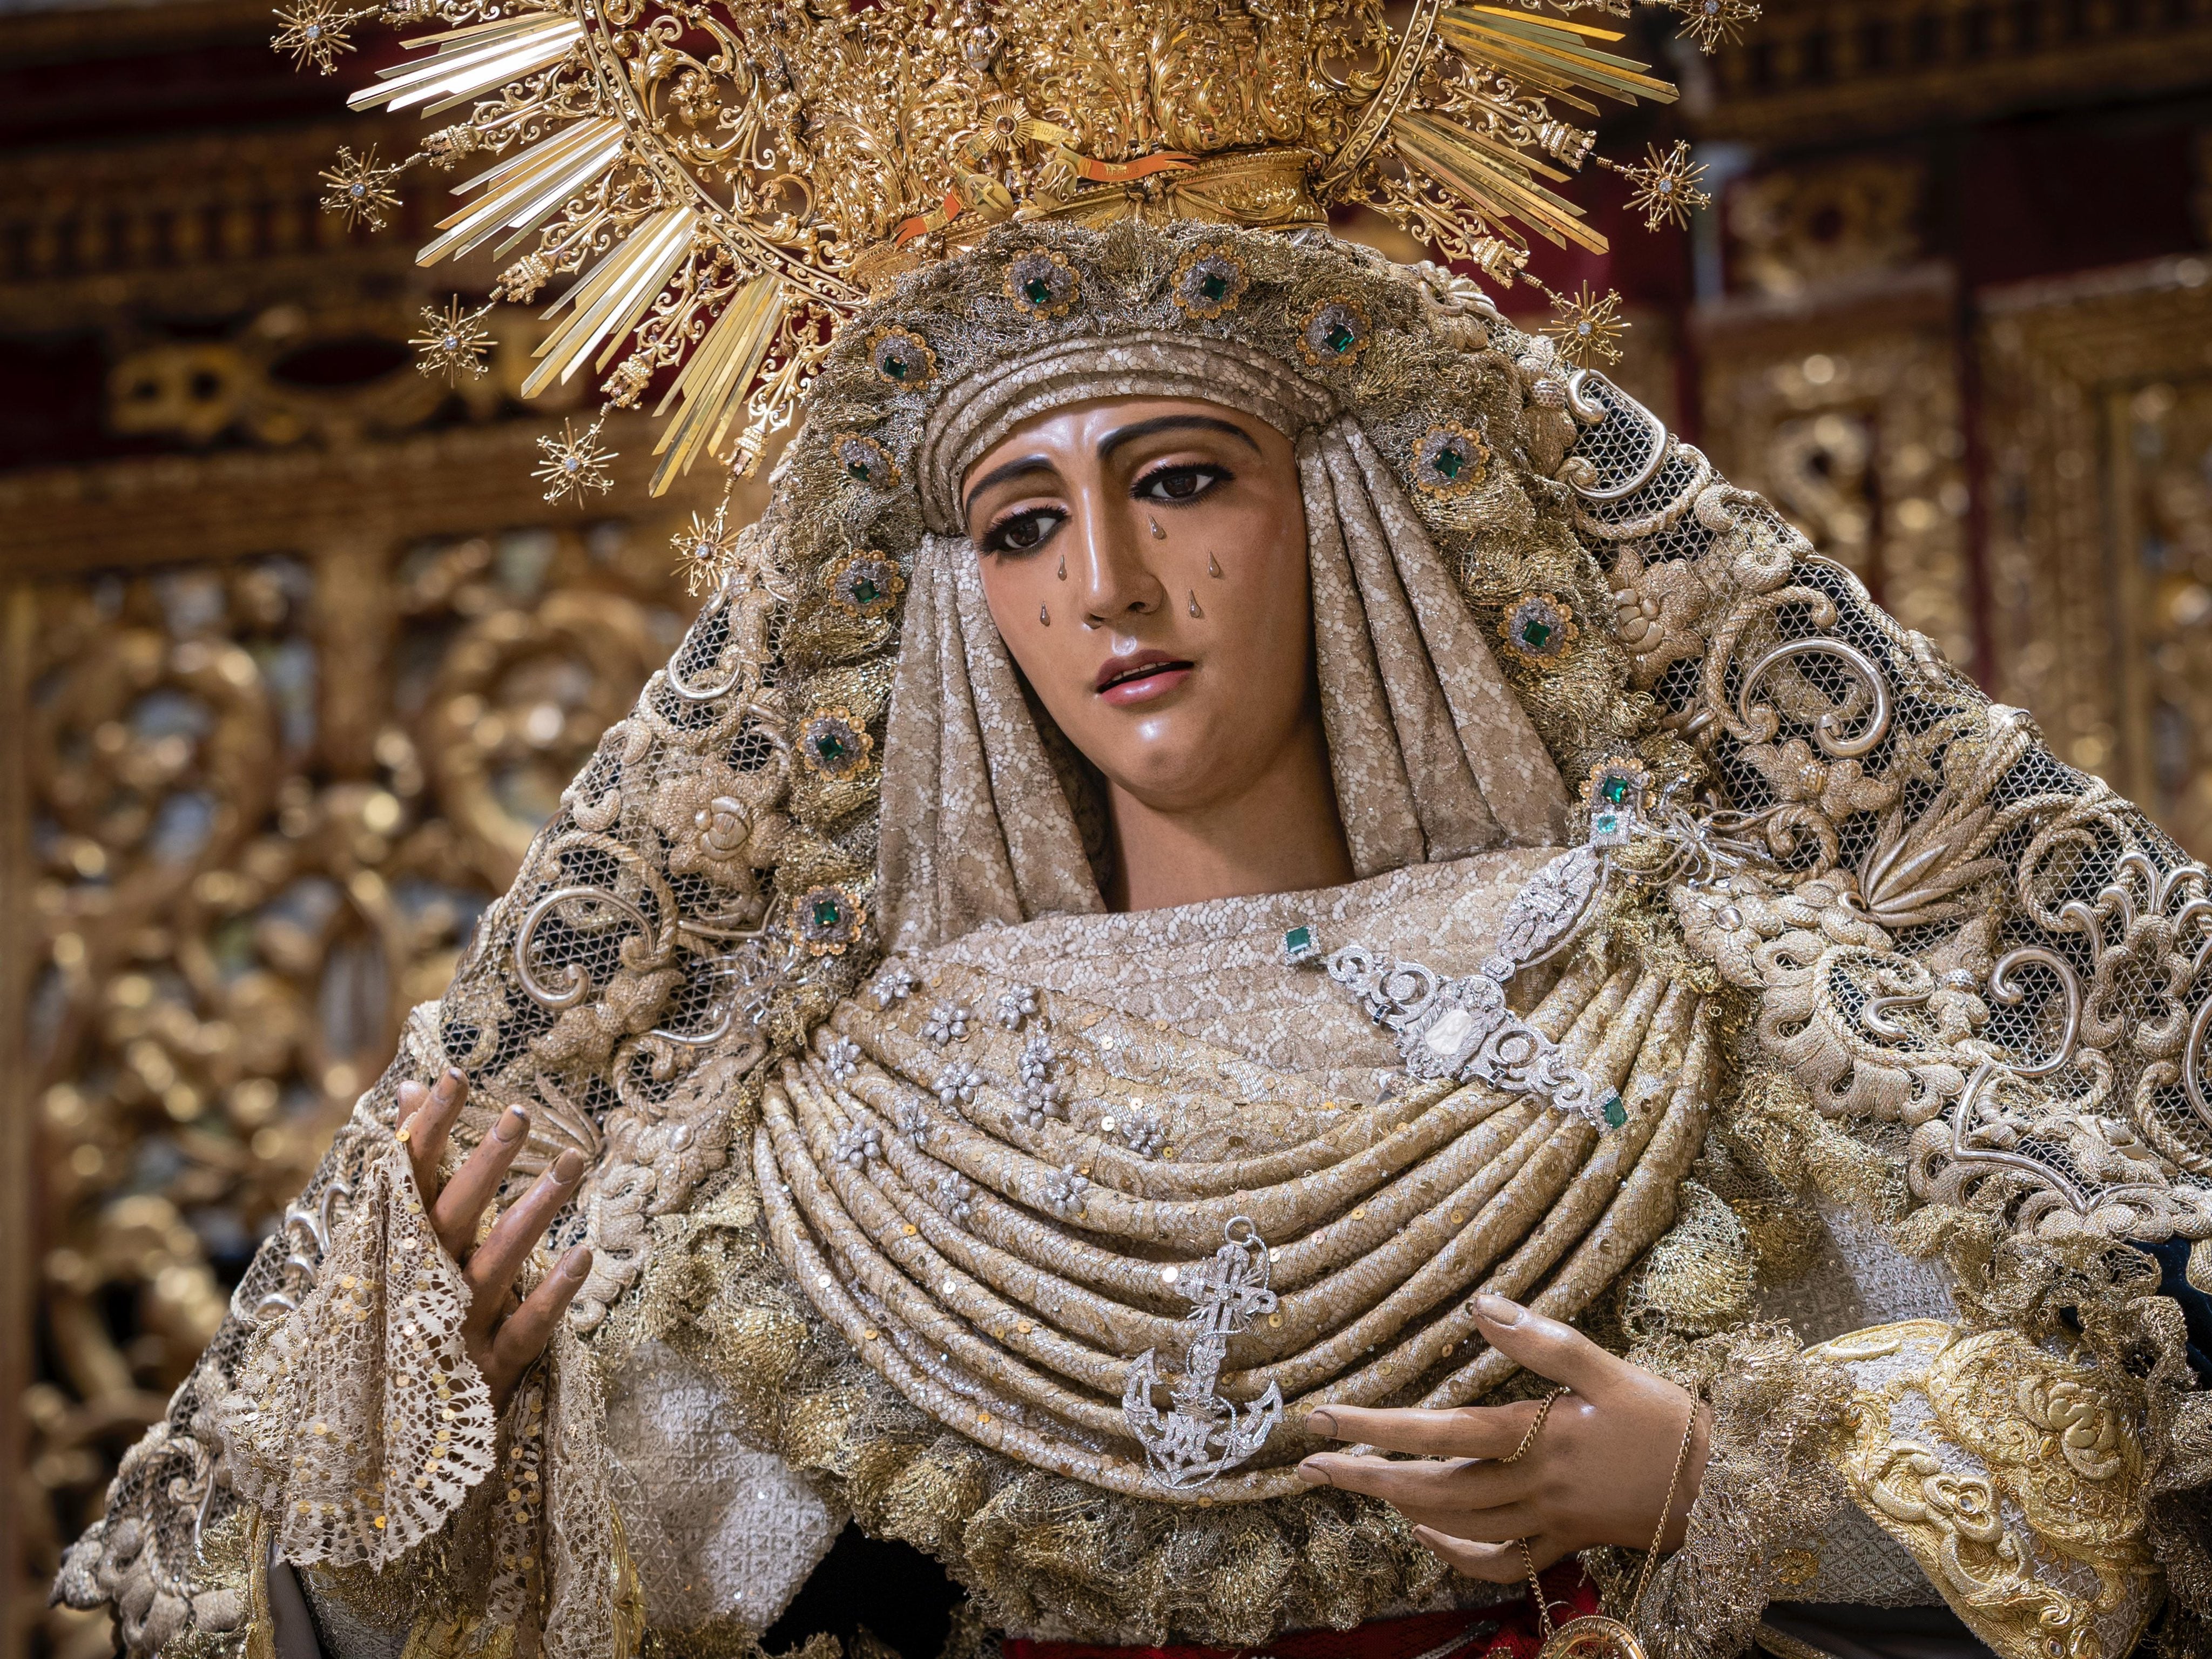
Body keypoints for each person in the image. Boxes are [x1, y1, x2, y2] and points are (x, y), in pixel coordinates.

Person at [49, 14, 2212, 1659]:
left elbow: (2119, 1474)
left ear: (1349, 514)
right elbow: (558, 1604)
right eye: (1016, 522)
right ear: (951, 601)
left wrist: (1714, 1480)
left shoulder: (1649, 984)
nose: (1101, 581)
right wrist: (443, 1442)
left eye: (1179, 478)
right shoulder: (828, 1138)